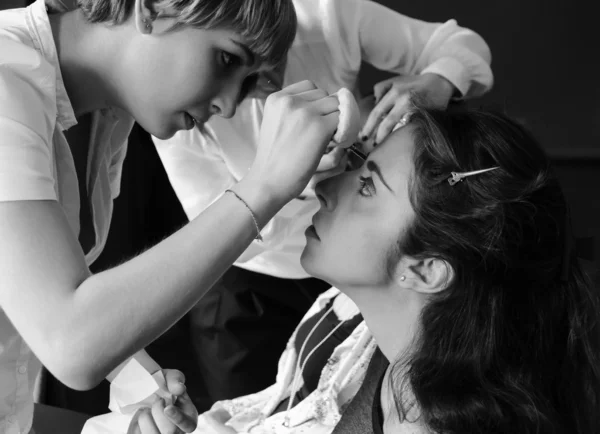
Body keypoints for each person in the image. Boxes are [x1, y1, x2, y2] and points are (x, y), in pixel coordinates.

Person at [0, 0, 345, 432]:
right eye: (227, 58)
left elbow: (33, 288)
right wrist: (265, 186)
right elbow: (69, 342)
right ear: (151, 9)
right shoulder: (4, 76)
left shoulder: (107, 119)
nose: (229, 105)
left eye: (246, 82)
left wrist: (143, 381)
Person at [152, 0, 494, 406]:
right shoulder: (178, 106)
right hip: (248, 289)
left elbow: (461, 45)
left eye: (367, 179)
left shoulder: (330, 17)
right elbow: (220, 233)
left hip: (351, 278)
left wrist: (438, 81)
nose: (271, 81)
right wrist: (290, 182)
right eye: (235, 65)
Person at [193, 105, 600, 434]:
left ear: (425, 271)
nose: (324, 188)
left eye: (367, 187)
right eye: (359, 167)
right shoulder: (362, 324)